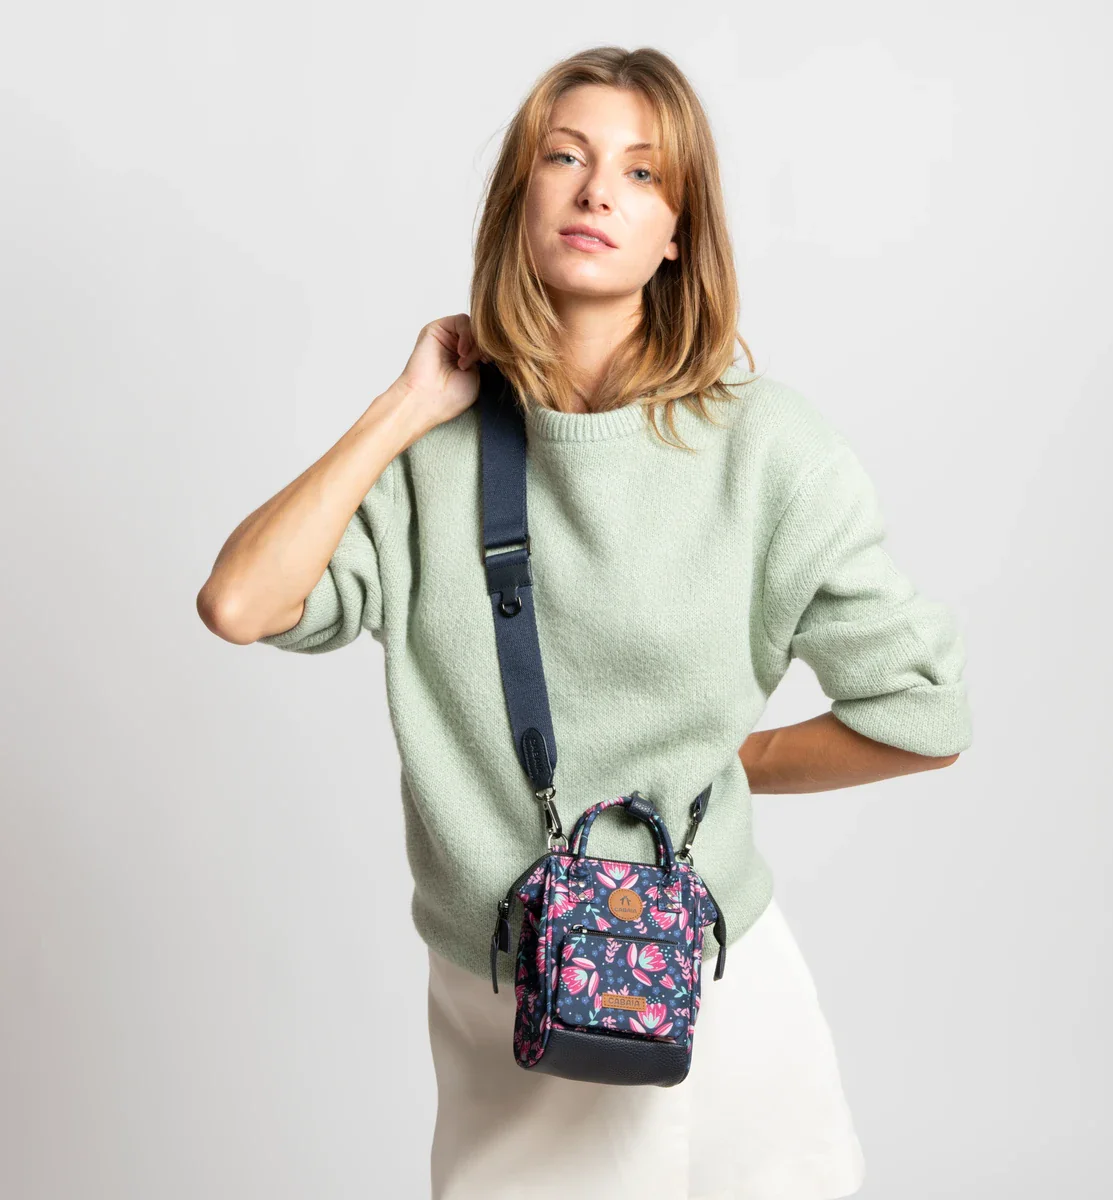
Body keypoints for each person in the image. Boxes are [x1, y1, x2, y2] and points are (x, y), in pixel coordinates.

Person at [197, 44, 971, 1200]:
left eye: (643, 173)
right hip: (506, 1001)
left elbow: (925, 715)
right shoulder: (430, 456)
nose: (599, 190)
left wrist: (738, 763)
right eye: (566, 158)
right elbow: (242, 602)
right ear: (521, 200)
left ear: (677, 236)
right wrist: (402, 408)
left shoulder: (771, 453)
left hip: (712, 982)